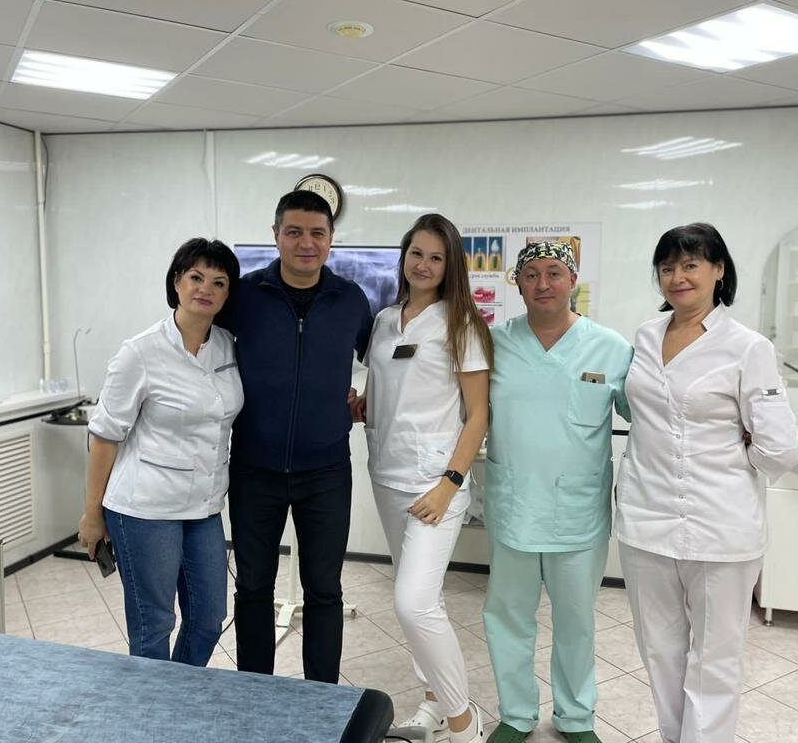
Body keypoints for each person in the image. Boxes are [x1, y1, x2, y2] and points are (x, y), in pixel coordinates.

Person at [615, 223, 798, 743]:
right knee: (659, 650)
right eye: (668, 267)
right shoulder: (645, 337)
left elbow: (780, 450)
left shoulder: (747, 347)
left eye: (691, 264)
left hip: (721, 524)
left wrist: (738, 451)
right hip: (646, 518)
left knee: (715, 659)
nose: (678, 276)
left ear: (719, 270)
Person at [483, 242, 632, 743]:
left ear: (573, 280)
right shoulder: (493, 343)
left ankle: (575, 717)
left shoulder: (610, 348)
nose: (542, 284)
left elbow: (652, 414)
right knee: (508, 618)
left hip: (578, 513)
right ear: (518, 283)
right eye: (531, 274)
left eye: (553, 273)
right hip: (514, 505)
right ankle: (516, 714)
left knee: (576, 622)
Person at [351, 214, 491, 743]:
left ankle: (463, 721)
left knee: (414, 603)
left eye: (437, 257)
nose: (425, 265)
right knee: (420, 600)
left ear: (451, 266)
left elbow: (477, 414)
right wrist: (364, 405)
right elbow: (391, 387)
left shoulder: (462, 325)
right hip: (387, 475)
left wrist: (449, 483)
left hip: (436, 483)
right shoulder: (386, 320)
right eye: (417, 254)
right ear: (404, 257)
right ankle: (432, 701)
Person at [226, 190, 372, 683]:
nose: (306, 243)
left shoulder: (350, 300)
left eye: (317, 233)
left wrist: (367, 399)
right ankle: (255, 694)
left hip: (326, 471)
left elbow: (386, 358)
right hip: (254, 468)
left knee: (324, 591)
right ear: (276, 236)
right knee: (252, 588)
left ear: (331, 239)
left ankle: (322, 701)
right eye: (294, 232)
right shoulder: (244, 297)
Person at [78, 238, 242, 666]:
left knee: (209, 619)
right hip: (144, 509)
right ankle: (150, 705)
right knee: (154, 625)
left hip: (204, 507)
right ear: (177, 282)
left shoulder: (228, 346)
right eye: (196, 277)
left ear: (228, 294)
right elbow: (105, 436)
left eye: (219, 282)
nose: (205, 288)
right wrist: (92, 513)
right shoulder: (140, 352)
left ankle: (176, 694)